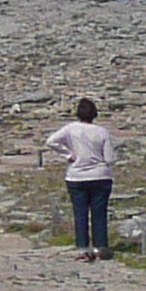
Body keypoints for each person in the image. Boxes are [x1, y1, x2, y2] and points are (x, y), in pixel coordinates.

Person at [45, 98, 116, 261]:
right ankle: (100, 247)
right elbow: (110, 158)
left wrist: (68, 155)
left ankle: (83, 249)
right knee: (99, 213)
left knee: (80, 213)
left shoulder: (71, 129)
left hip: (76, 176)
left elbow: (51, 141)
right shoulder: (102, 131)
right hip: (100, 175)